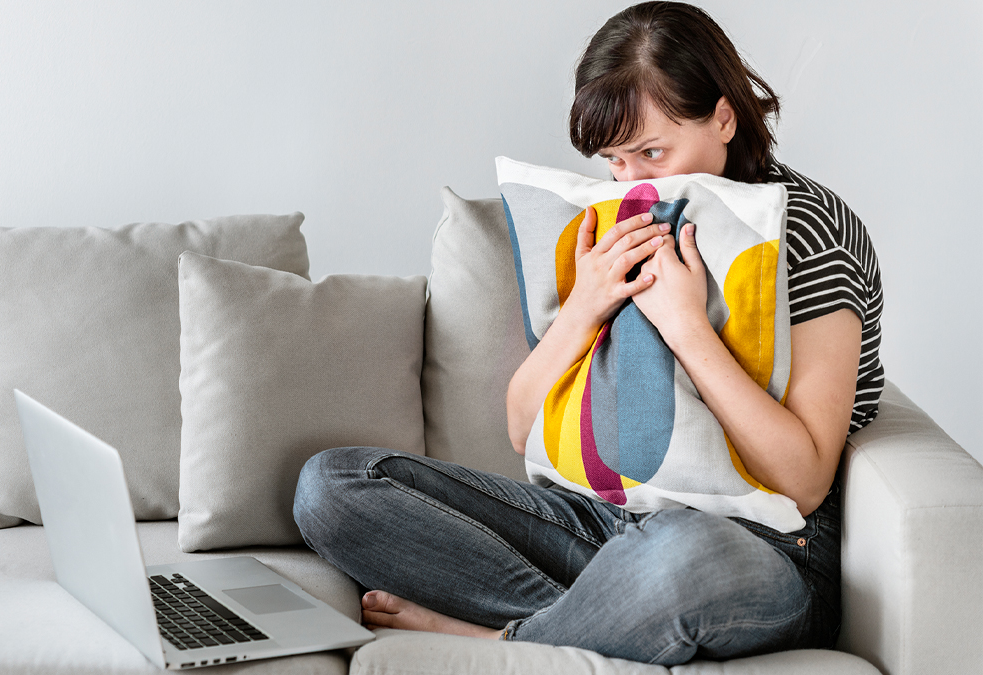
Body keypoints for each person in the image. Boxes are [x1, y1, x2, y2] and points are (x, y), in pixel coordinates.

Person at [292, 1, 883, 665]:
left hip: (755, 549)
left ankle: (505, 640)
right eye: (613, 160)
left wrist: (688, 326)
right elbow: (521, 427)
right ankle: (603, 615)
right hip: (600, 524)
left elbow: (803, 480)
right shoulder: (611, 224)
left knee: (684, 558)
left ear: (724, 116)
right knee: (332, 486)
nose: (631, 181)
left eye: (651, 152)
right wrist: (586, 304)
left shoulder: (809, 230)